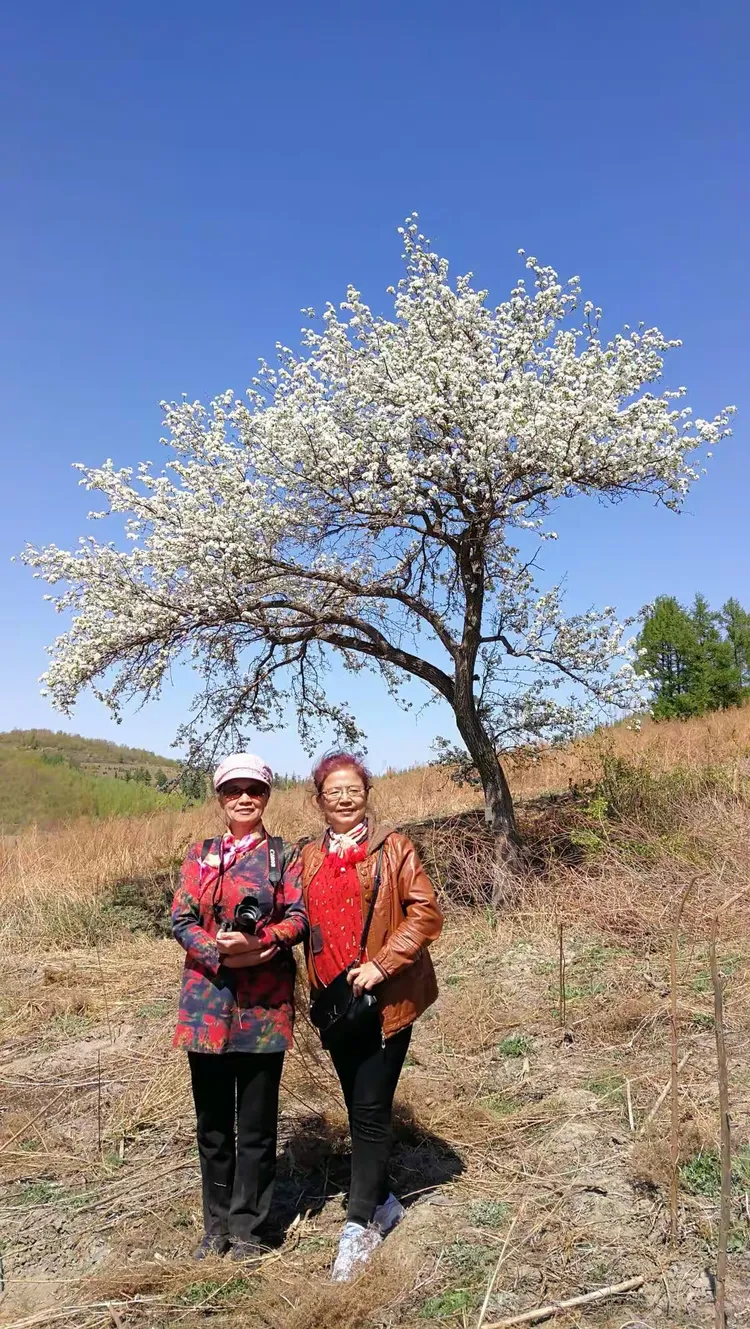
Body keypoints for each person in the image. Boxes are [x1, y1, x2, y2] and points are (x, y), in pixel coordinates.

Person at [300, 751, 443, 1281]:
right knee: (358, 1101)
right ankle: (382, 1199)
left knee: (369, 1106)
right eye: (332, 791)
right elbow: (294, 916)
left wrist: (380, 966)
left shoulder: (394, 848)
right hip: (337, 1003)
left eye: (352, 789)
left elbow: (426, 913)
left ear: (366, 794)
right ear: (318, 800)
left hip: (383, 1002)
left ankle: (359, 1225)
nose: (343, 798)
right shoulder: (308, 857)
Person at [171, 752, 308, 1261]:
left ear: (267, 796)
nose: (245, 798)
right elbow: (180, 918)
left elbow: (299, 916)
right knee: (211, 1124)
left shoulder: (282, 856)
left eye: (255, 790)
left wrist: (264, 942)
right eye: (234, 791)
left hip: (264, 1008)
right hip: (206, 1005)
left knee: (255, 1124)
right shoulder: (199, 853)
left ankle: (249, 1229)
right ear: (221, 798)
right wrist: (216, 949)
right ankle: (216, 1226)